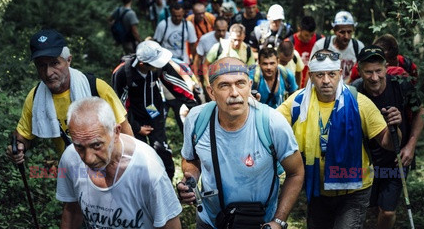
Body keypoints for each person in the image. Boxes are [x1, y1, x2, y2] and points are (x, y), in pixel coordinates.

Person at [277, 49, 402, 229]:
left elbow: (388, 144)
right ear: (311, 75)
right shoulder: (298, 102)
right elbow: (271, 124)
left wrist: (394, 128)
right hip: (318, 191)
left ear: (340, 74)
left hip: (354, 191)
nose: (326, 80)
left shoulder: (359, 102)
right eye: (320, 75)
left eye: (331, 74)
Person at [177, 57, 304, 229]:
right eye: (224, 85)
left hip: (260, 222)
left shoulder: (272, 122)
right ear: (211, 91)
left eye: (240, 83)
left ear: (250, 85)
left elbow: (296, 173)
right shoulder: (197, 119)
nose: (234, 93)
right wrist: (190, 179)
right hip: (211, 221)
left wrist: (279, 221)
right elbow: (191, 159)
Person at [6, 29, 133, 164]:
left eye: (55, 63)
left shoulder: (96, 88)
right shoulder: (36, 97)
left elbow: (126, 132)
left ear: (68, 60)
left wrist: (127, 165)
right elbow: (22, 137)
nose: (48, 73)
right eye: (41, 65)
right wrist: (18, 148)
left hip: (109, 164)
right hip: (72, 168)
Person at [56, 97, 182, 229]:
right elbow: (72, 210)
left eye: (97, 145)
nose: (88, 159)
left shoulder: (149, 170)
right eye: (79, 147)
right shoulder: (70, 158)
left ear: (116, 132)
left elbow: (170, 225)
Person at [351, 46, 424, 229]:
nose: (374, 77)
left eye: (378, 71)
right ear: (360, 71)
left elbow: (420, 111)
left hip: (396, 158)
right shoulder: (354, 92)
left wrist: (411, 145)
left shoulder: (401, 84)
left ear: (386, 68)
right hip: (366, 161)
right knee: (368, 205)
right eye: (368, 72)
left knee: (388, 210)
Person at [112, 40, 199, 179]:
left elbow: (177, 85)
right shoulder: (123, 73)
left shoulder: (158, 66)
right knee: (137, 155)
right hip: (132, 119)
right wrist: (136, 127)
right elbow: (119, 105)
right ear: (142, 64)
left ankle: (167, 184)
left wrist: (195, 108)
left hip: (155, 113)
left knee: (162, 150)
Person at [311, 11, 364, 83]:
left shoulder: (358, 47)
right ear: (334, 31)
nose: (346, 36)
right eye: (342, 32)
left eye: (349, 32)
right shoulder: (321, 45)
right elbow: (311, 70)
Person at [349, 34, 418, 84]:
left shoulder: (408, 65)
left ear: (392, 59)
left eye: (379, 59)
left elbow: (412, 90)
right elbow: (349, 85)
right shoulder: (363, 65)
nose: (374, 61)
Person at [287, 16, 323, 88]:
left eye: (312, 35)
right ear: (299, 29)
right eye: (306, 35)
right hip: (295, 85)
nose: (309, 38)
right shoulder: (289, 43)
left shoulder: (321, 41)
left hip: (314, 86)